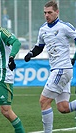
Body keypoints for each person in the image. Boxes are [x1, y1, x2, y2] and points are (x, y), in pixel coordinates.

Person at [24, 1, 76, 132]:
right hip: (58, 70)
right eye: (45, 13)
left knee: (44, 101)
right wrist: (31, 53)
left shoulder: (64, 27)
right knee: (63, 108)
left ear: (57, 12)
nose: (47, 15)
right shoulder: (43, 29)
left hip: (62, 69)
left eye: (50, 12)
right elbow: (39, 47)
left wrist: (74, 58)